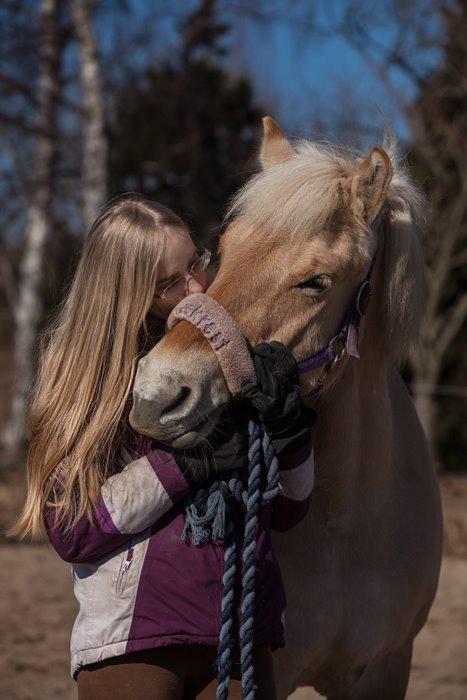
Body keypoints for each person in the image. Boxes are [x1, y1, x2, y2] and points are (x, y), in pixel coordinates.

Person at [9, 194, 316, 699]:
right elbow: (72, 528)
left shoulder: (233, 360)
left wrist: (290, 432)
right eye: (169, 284)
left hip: (240, 637)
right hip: (135, 644)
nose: (197, 287)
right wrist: (187, 464)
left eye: (197, 261)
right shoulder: (88, 383)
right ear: (127, 294)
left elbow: (288, 509)